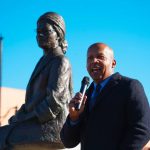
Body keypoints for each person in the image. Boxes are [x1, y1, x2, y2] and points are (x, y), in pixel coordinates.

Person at [0, 12, 73, 150]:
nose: (39, 35)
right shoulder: (43, 61)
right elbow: (32, 103)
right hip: (36, 123)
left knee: (2, 136)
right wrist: (18, 116)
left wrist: (25, 118)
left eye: (45, 31)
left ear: (58, 33)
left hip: (52, 127)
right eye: (38, 32)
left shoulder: (61, 61)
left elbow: (54, 103)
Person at [60, 42, 150, 150]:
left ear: (113, 63)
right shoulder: (84, 96)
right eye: (90, 58)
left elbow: (141, 130)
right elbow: (68, 142)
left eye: (100, 57)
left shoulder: (129, 87)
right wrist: (74, 118)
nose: (94, 61)